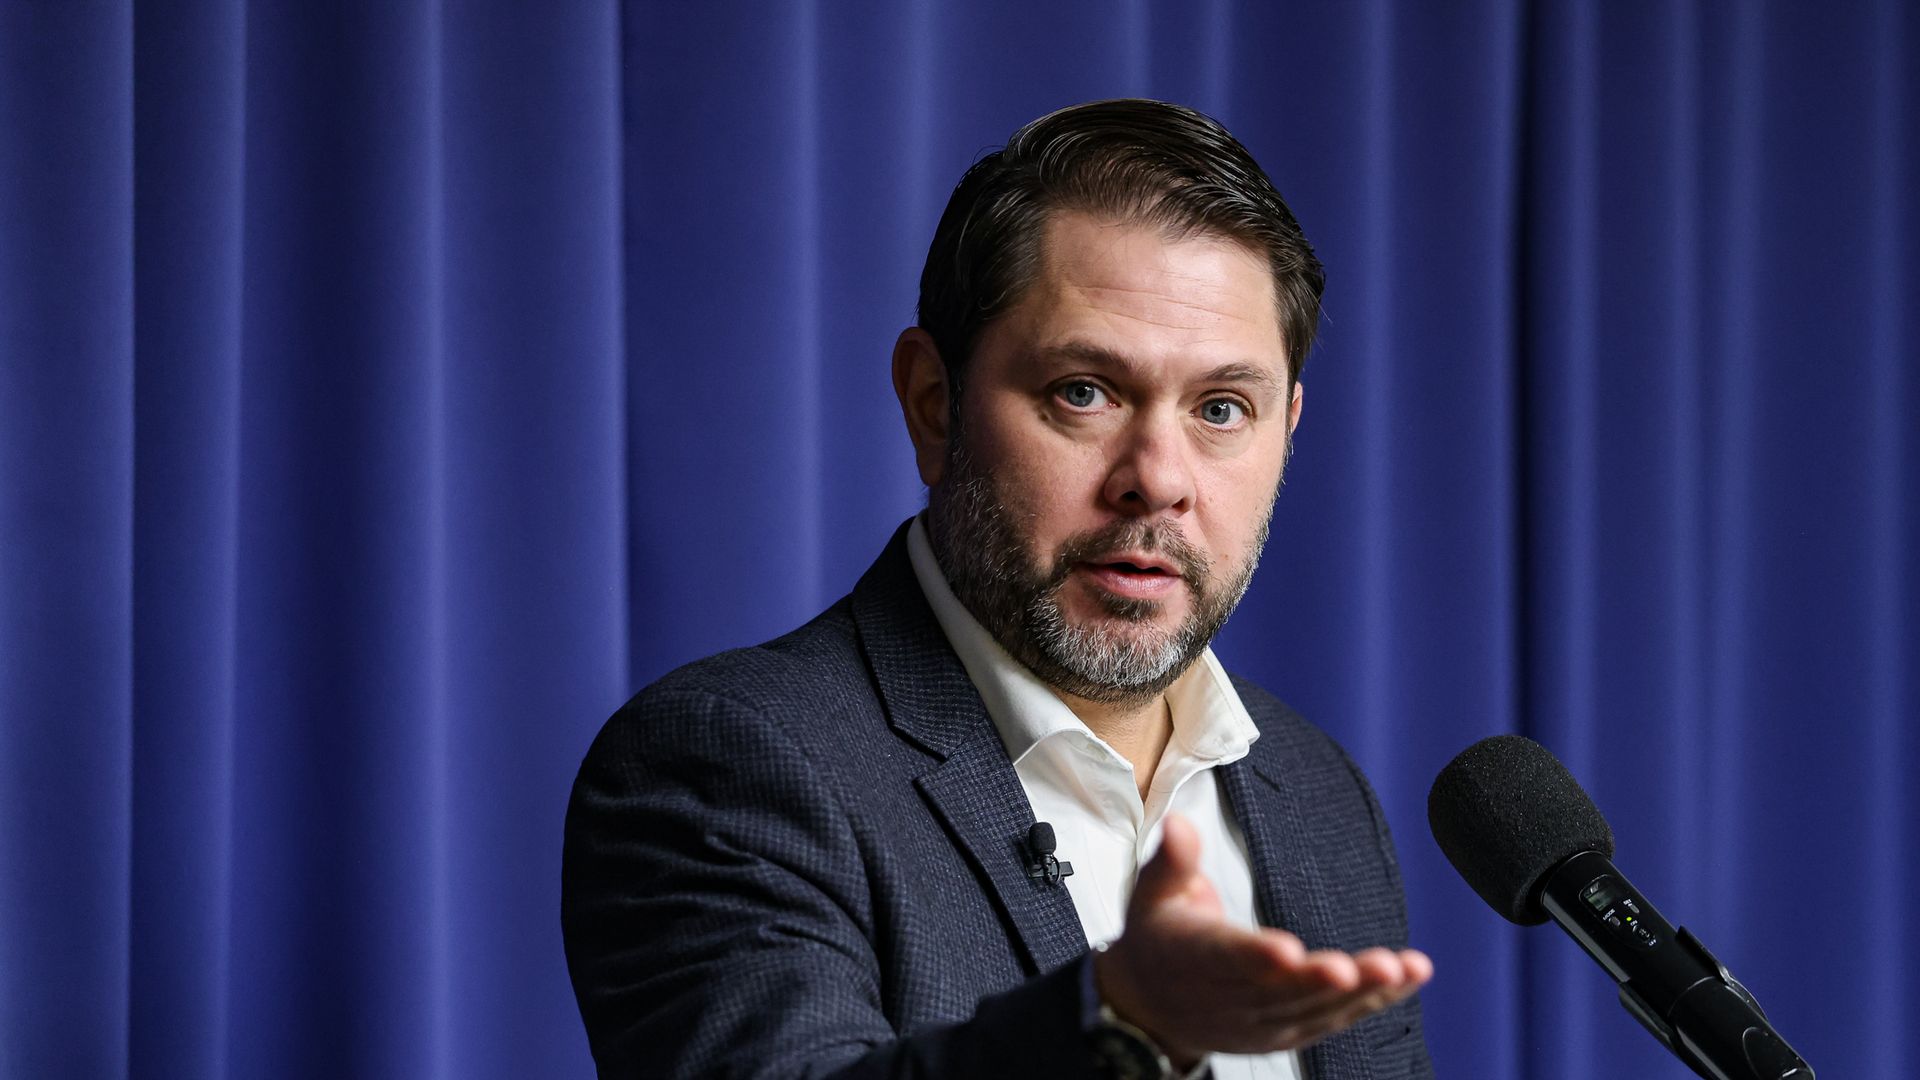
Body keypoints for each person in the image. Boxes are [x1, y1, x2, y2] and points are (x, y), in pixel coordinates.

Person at [563, 99, 1435, 1079]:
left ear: (1288, 430)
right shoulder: (728, 766)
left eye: (1222, 408)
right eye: (1085, 392)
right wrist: (1123, 1020)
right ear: (934, 404)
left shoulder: (1321, 796)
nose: (1159, 477)